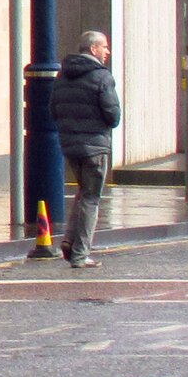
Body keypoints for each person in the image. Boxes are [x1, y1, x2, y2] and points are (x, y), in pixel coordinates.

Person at [50, 30, 121, 269]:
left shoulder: (62, 75)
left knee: (83, 193)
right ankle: (81, 253)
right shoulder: (102, 77)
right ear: (93, 49)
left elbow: (53, 110)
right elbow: (113, 115)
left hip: (70, 144)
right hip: (95, 145)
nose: (107, 52)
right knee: (91, 198)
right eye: (104, 47)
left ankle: (70, 243)